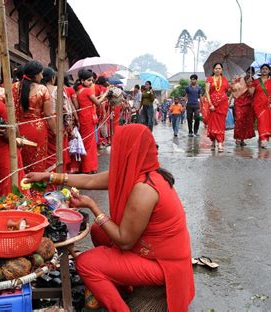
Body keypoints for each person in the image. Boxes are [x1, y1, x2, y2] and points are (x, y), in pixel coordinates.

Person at [24, 124, 195, 312]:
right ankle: (122, 286)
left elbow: (125, 242)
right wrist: (49, 177)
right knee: (98, 230)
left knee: (86, 263)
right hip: (150, 250)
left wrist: (93, 206)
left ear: (129, 150)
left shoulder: (145, 189)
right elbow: (89, 180)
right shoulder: (138, 172)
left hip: (163, 265)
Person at [13, 60, 55, 172]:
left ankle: (23, 188)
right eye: (41, 73)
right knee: (37, 163)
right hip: (37, 130)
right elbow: (49, 115)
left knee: (21, 162)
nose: (42, 76)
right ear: (36, 74)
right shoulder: (42, 89)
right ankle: (36, 189)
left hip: (17, 128)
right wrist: (56, 131)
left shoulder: (14, 87)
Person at [74, 69, 107, 173]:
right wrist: (105, 94)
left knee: (86, 143)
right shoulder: (88, 91)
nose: (91, 82)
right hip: (88, 118)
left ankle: (86, 167)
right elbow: (97, 103)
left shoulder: (78, 91)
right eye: (89, 80)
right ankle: (89, 168)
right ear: (82, 81)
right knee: (90, 144)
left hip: (83, 117)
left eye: (92, 80)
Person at [249, 64, 271, 149]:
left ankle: (262, 138)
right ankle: (263, 138)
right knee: (261, 121)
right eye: (263, 69)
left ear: (269, 71)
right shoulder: (256, 81)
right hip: (257, 105)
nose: (264, 70)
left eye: (266, 69)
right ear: (260, 71)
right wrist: (250, 84)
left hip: (268, 104)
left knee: (266, 122)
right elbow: (251, 93)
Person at [205, 63, 231, 152]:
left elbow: (230, 91)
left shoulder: (225, 80)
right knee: (212, 124)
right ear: (213, 70)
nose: (217, 70)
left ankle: (220, 143)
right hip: (212, 105)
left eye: (219, 68)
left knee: (220, 125)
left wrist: (229, 100)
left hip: (222, 106)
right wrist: (210, 104)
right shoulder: (209, 79)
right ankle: (213, 141)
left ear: (222, 70)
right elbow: (207, 92)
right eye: (216, 68)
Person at [232, 67, 256, 146]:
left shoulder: (253, 81)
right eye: (248, 72)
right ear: (246, 72)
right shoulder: (240, 79)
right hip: (239, 103)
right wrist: (234, 83)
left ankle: (242, 139)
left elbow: (252, 93)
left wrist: (249, 84)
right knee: (239, 120)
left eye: (251, 73)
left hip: (248, 104)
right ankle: (238, 139)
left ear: (253, 74)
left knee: (246, 122)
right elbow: (234, 90)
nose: (249, 74)